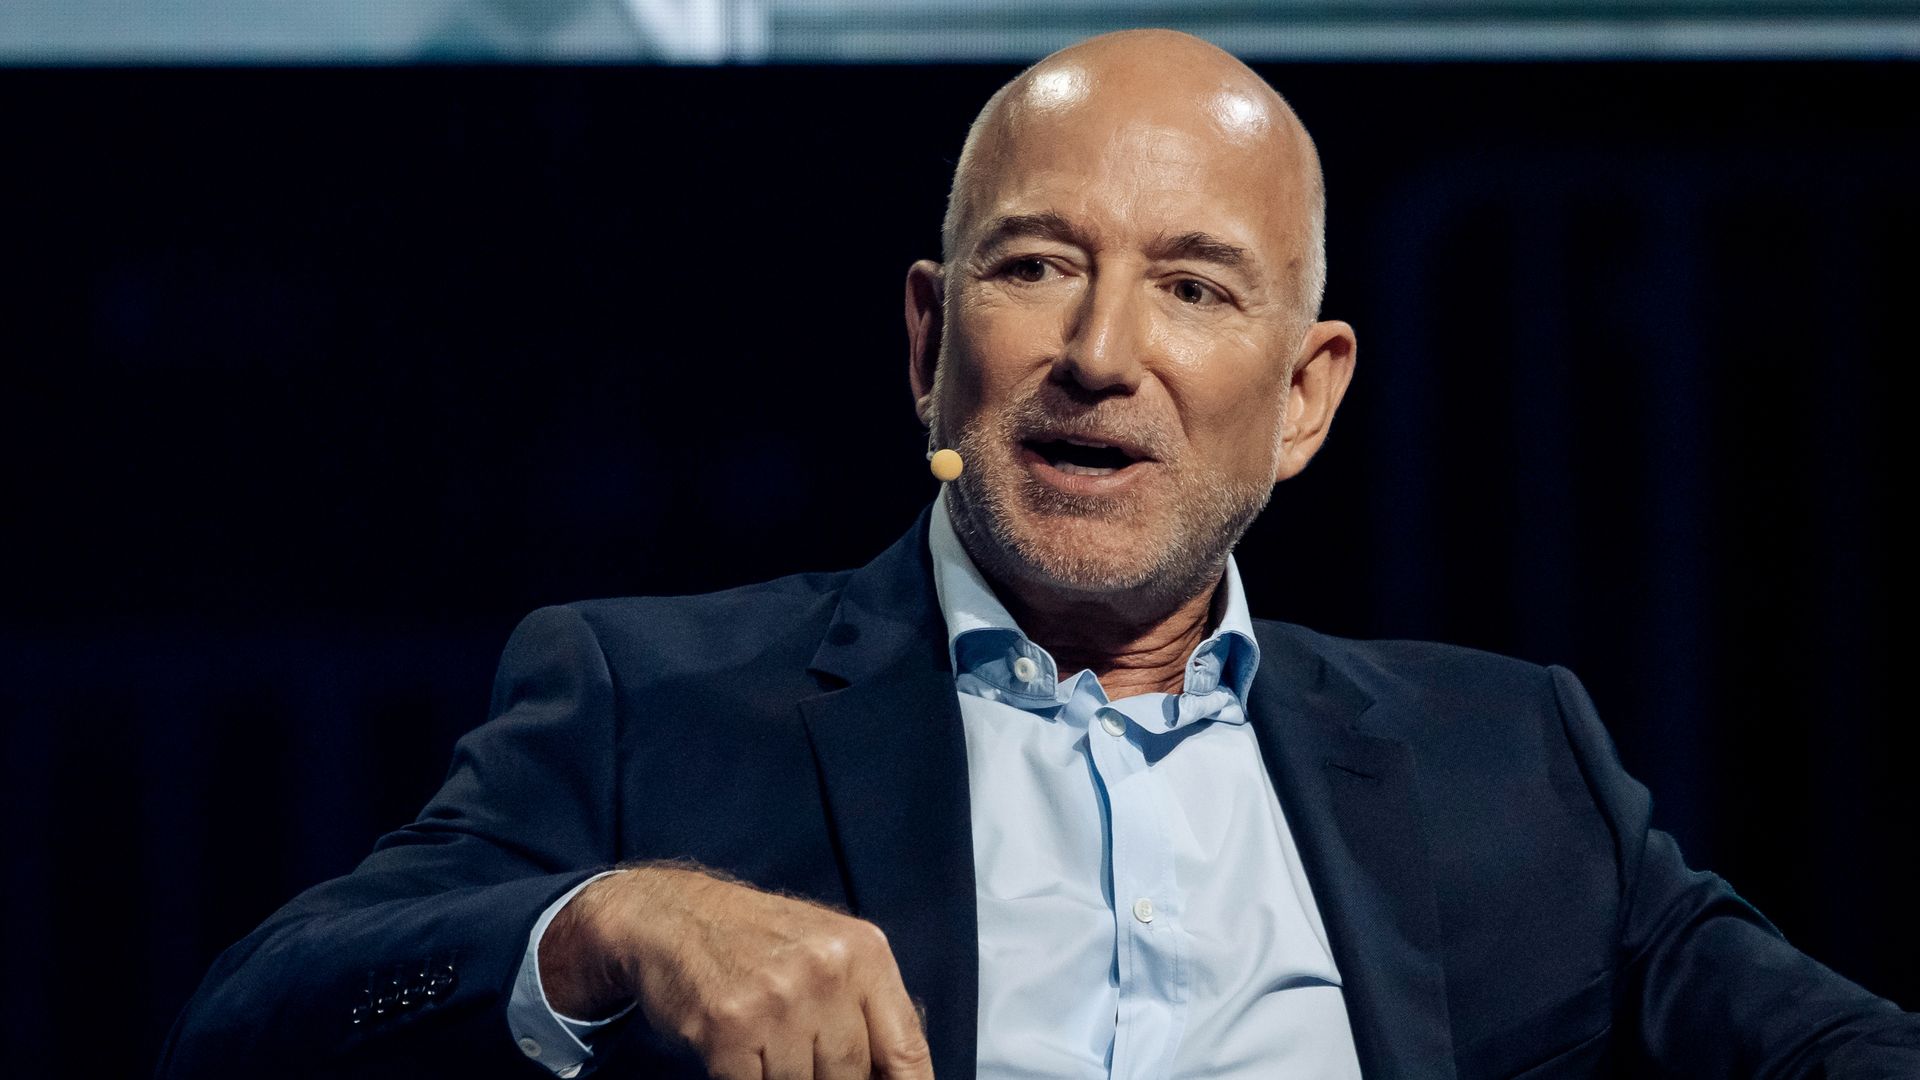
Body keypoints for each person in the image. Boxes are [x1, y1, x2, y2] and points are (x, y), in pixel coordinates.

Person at [160, 29, 1918, 1080]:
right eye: (1031, 266)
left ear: (1306, 397)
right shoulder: (651, 700)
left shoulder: (1507, 758)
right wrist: (610, 922)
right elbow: (249, 1031)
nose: (1098, 350)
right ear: (928, 339)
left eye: (1194, 285)